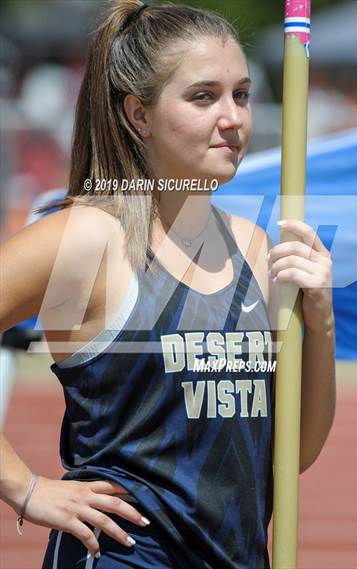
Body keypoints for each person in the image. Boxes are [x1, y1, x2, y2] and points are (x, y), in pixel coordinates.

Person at [0, 1, 336, 568]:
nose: (233, 118)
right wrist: (23, 486)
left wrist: (321, 320)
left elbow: (291, 456)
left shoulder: (256, 249)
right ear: (139, 115)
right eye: (204, 97)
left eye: (242, 94)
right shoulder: (88, 237)